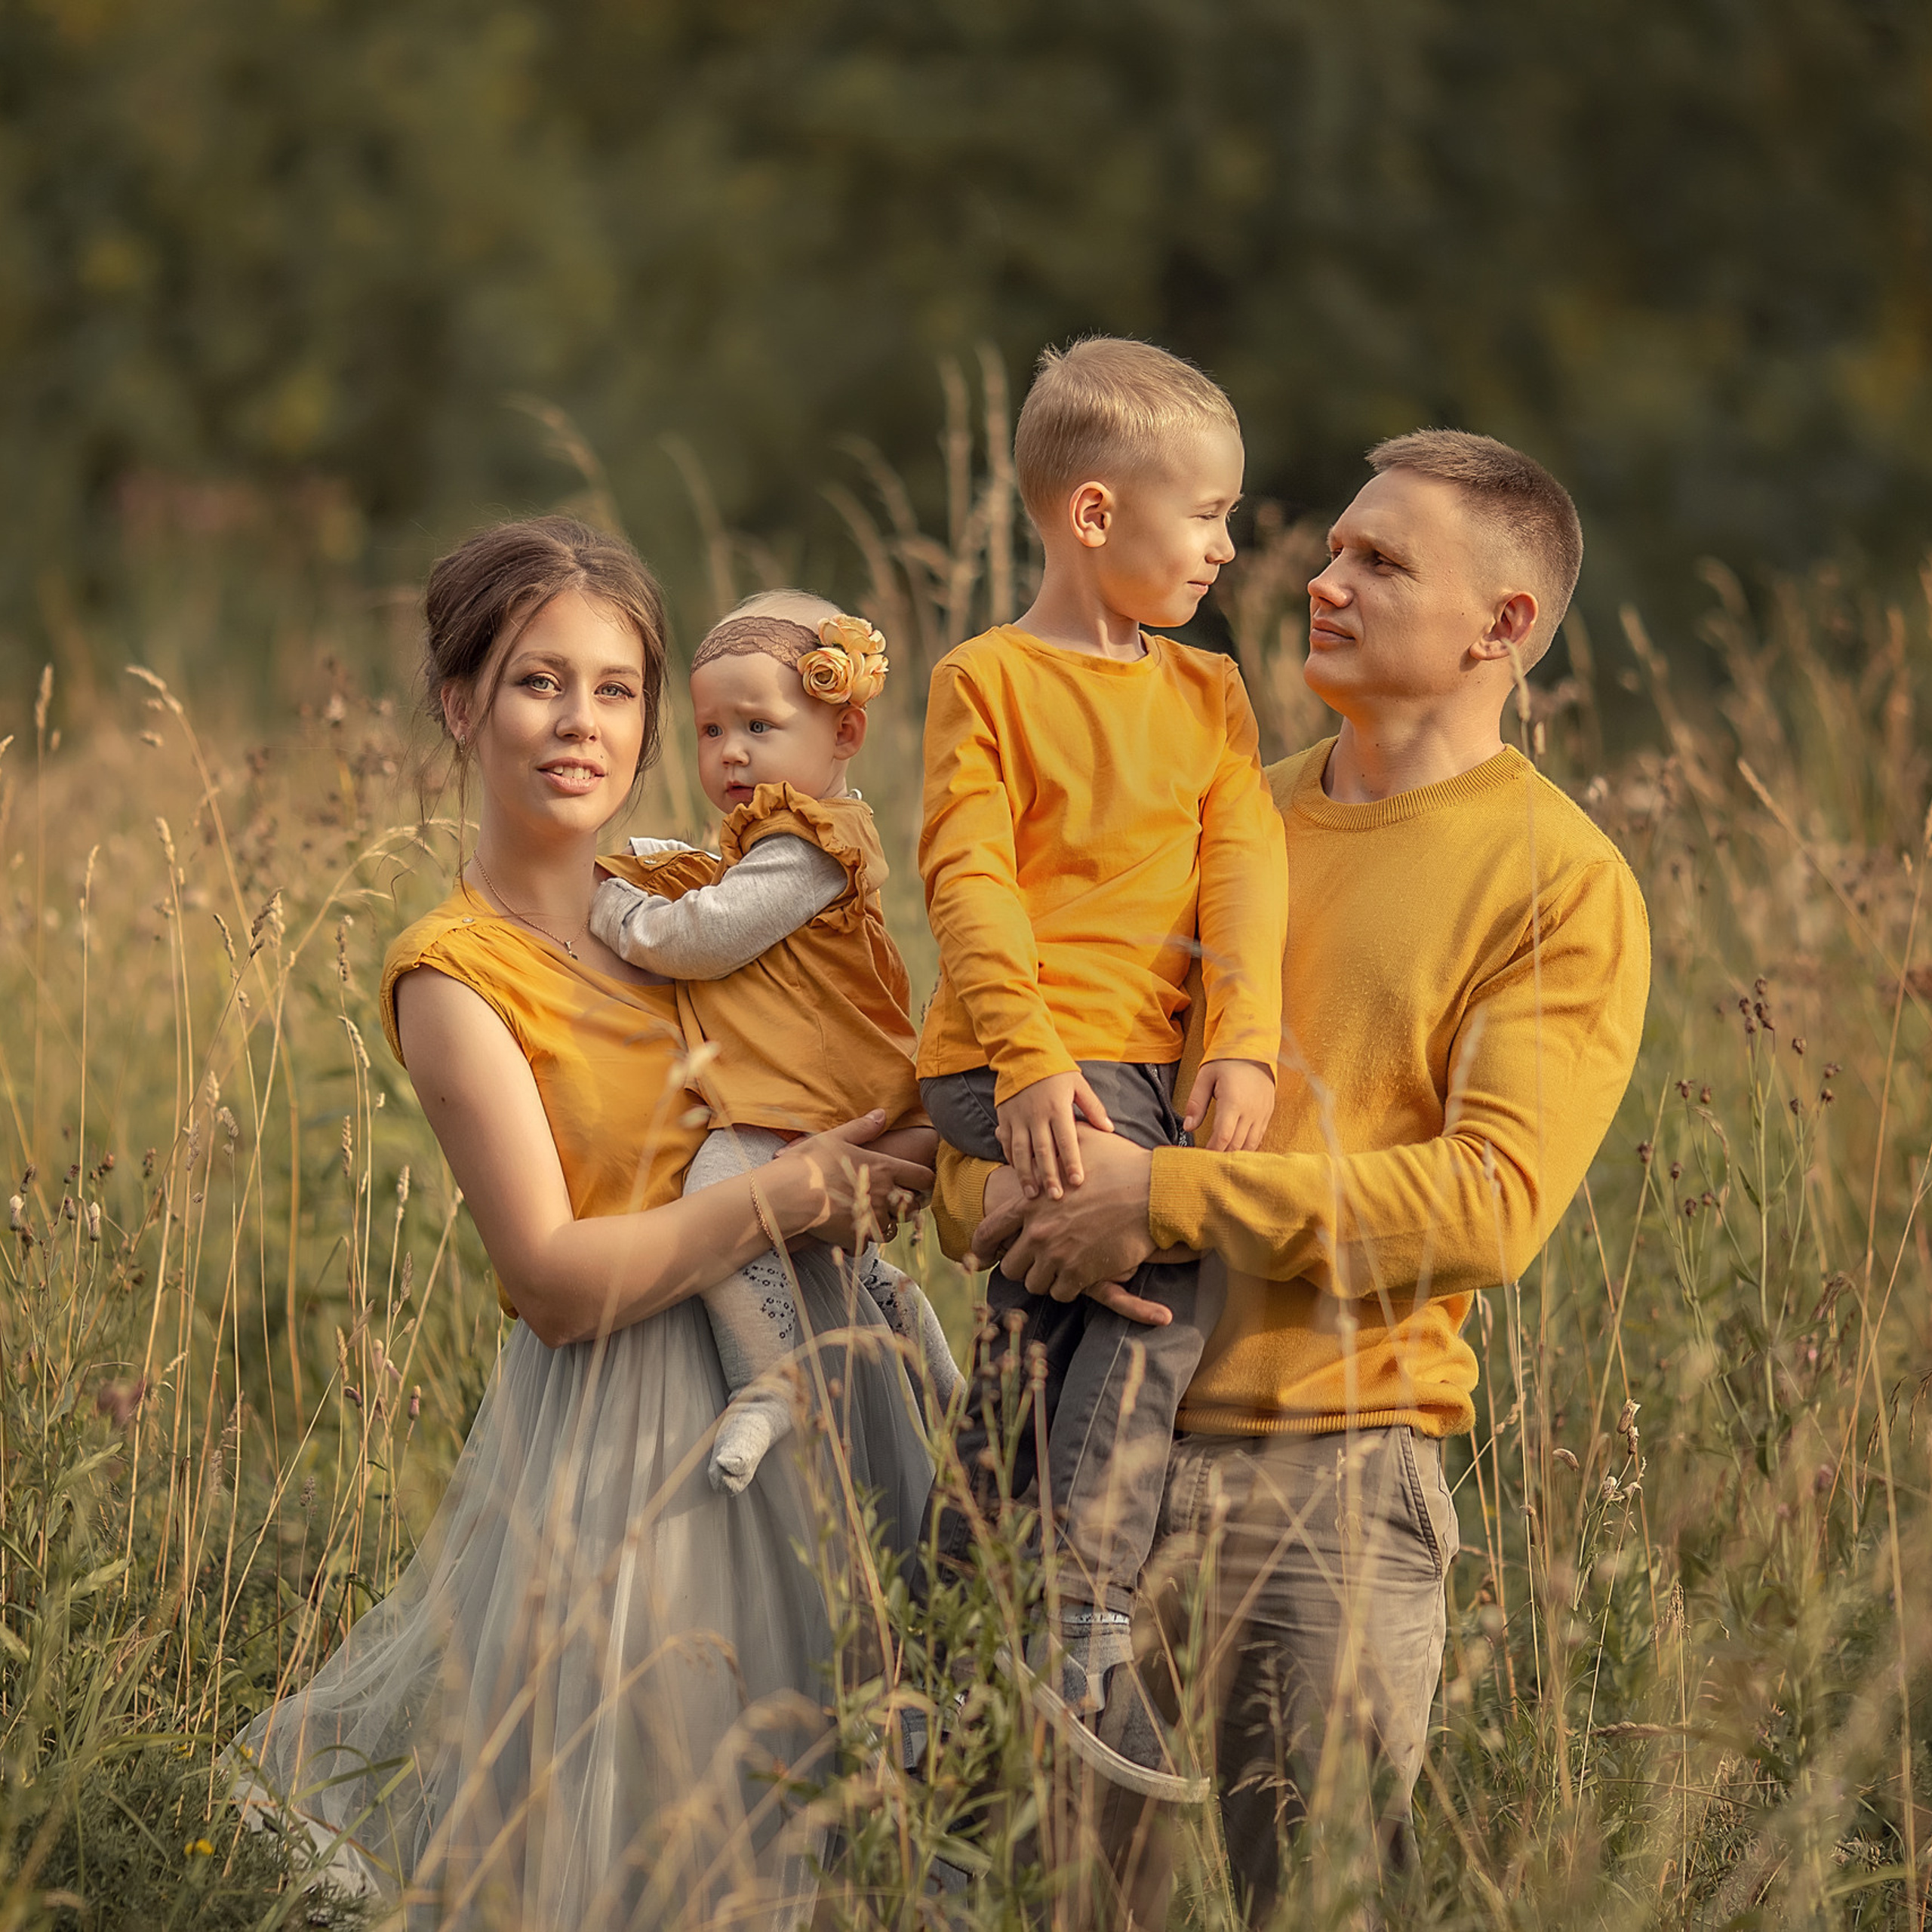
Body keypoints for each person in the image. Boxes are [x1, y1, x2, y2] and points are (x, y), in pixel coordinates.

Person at [940, 431, 1651, 1923]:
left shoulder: (1554, 876)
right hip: (1075, 1445)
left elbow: (1486, 1204)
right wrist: (990, 1203)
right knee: (1045, 1902)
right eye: (1328, 548)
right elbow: (1025, 1083)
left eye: (1378, 562)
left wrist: (1165, 1198)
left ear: (1500, 624)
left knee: (1314, 1905)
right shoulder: (1213, 801)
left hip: (1321, 1481)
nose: (1319, 582)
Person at [229, 517, 935, 1931]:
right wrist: (790, 1196)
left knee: (842, 1826)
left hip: (813, 1392)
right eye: (540, 681)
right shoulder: (455, 972)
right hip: (637, 1443)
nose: (582, 724)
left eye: (616, 690)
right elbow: (550, 1281)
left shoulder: (693, 901)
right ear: (460, 702)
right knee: (664, 1838)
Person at [916, 337, 1288, 1799]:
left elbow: (1242, 872)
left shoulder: (1207, 693)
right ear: (1089, 513)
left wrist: (1242, 1040)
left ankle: (942, 1627)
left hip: (1147, 1060)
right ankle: (1078, 1623)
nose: (1223, 543)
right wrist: (1023, 1061)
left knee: (1043, 1301)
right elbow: (967, 874)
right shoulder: (987, 679)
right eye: (1199, 512)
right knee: (1161, 1270)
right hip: (1006, 1058)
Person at [589, 589, 961, 1496]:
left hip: (818, 1085)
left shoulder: (809, 843)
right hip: (807, 1081)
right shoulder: (769, 840)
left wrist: (617, 908)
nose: (732, 752)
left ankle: (771, 1381)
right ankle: (934, 1363)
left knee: (724, 1195)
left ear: (843, 733)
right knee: (852, 1258)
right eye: (712, 730)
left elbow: (703, 937)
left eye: (761, 724)